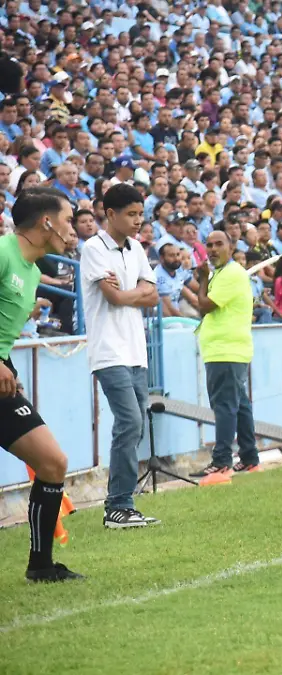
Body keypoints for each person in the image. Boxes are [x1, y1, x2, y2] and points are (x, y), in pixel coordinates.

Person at [0, 187, 84, 581]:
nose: (73, 230)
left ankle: (41, 566)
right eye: (68, 219)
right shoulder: (3, 252)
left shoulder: (32, 271)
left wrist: (6, 365)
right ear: (46, 222)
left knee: (52, 462)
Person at [81, 183, 161, 529]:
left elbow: (153, 296)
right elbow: (113, 299)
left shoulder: (136, 249)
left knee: (136, 423)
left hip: (135, 351)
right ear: (110, 214)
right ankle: (118, 505)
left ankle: (121, 504)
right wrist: (136, 293)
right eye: (131, 214)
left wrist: (127, 292)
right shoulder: (94, 247)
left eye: (140, 214)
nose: (137, 221)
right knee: (129, 422)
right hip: (108, 351)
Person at [188, 230, 259, 483]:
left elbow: (204, 305)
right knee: (239, 405)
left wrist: (203, 278)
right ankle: (249, 458)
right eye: (209, 245)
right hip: (230, 349)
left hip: (225, 350)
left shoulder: (229, 274)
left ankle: (221, 462)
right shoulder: (225, 273)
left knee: (224, 406)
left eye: (219, 244)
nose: (213, 249)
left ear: (232, 246)